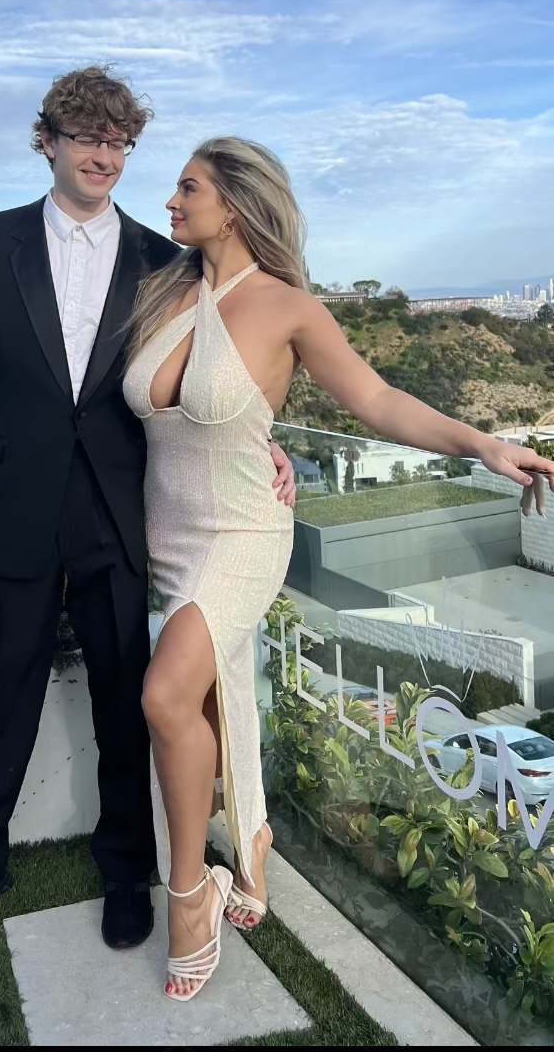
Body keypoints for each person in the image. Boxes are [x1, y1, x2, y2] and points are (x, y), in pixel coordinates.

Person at [123, 136, 554, 1001]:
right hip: (166, 539)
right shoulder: (162, 290)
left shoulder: (288, 306)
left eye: (187, 187)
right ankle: (251, 838)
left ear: (234, 204)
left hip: (244, 533)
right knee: (205, 699)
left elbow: (376, 399)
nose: (170, 201)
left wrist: (481, 444)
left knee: (164, 696)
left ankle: (189, 894)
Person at [0, 68, 296, 954]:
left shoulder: (164, 257)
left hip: (120, 511)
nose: (104, 155)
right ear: (49, 141)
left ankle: (127, 871)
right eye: (87, 137)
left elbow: (221, 366)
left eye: (119, 141)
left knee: (124, 702)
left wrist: (266, 442)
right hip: (7, 504)